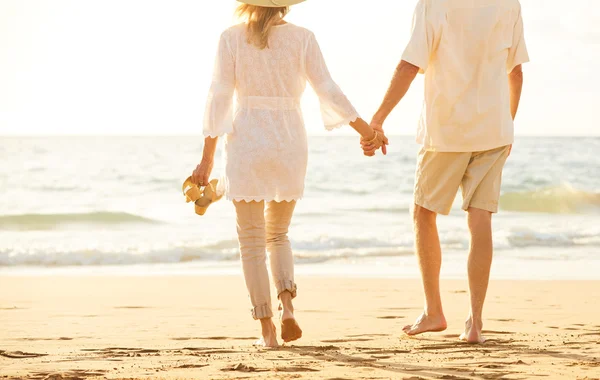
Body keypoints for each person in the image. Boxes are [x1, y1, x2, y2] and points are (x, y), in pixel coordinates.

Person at [191, 0, 387, 348]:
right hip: (289, 142)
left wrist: (206, 160)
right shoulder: (303, 38)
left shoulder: (231, 38)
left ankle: (267, 331)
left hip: (248, 142)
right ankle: (287, 307)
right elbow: (328, 89)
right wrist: (365, 132)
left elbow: (219, 96)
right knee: (278, 234)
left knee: (251, 241)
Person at [363, 0, 529, 343]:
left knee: (423, 213)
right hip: (494, 130)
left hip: (446, 131)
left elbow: (410, 64)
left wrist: (377, 119)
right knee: (480, 218)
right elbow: (516, 72)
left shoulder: (434, 3)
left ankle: (434, 311)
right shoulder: (508, 3)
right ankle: (476, 323)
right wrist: (508, 124)